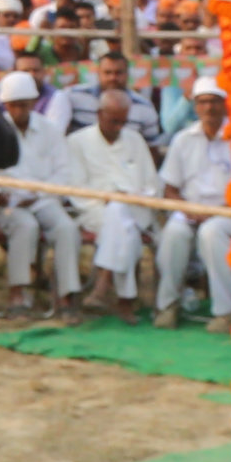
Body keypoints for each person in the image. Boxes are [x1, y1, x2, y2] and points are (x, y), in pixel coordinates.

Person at [0, 69, 82, 319]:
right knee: (25, 225)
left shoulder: (50, 130)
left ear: (33, 103)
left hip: (42, 198)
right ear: (6, 104)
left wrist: (39, 195)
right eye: (14, 106)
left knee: (66, 228)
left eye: (24, 105)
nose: (19, 111)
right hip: (6, 202)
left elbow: (63, 174)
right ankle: (18, 293)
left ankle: (66, 295)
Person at [67, 88, 159, 319]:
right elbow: (75, 190)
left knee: (121, 214)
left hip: (135, 208)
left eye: (123, 122)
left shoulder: (135, 140)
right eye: (114, 121)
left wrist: (132, 195)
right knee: (124, 228)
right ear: (99, 114)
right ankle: (125, 299)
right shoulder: (77, 142)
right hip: (94, 210)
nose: (119, 127)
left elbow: (152, 185)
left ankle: (103, 283)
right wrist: (106, 199)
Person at [154, 78, 231, 329]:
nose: (208, 108)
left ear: (224, 104)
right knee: (173, 234)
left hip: (229, 211)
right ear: (195, 106)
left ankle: (226, 311)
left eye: (214, 102)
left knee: (211, 234)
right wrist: (187, 209)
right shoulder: (183, 139)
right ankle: (167, 306)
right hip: (190, 210)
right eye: (202, 102)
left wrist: (215, 212)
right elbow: (169, 187)